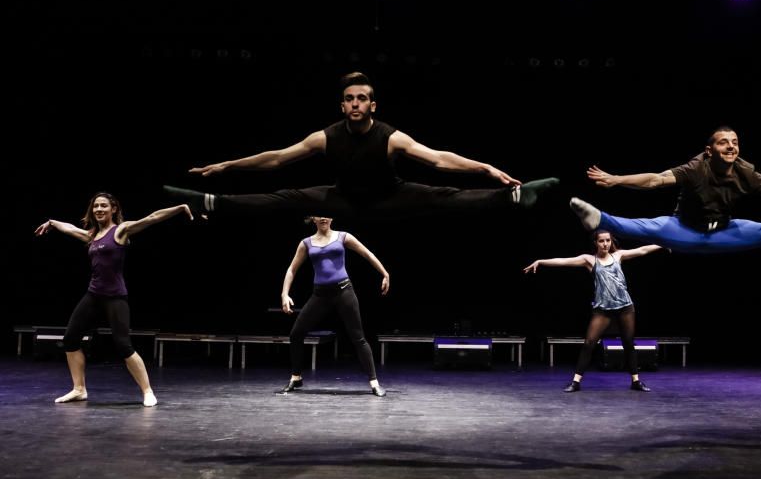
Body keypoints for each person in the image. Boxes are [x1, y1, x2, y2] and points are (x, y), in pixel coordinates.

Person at [165, 71, 559, 222]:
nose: (355, 103)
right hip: (342, 199)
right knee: (283, 197)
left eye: (362, 98)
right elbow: (278, 158)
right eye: (349, 98)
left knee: (448, 196)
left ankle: (514, 198)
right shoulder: (326, 136)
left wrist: (485, 168)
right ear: (342, 105)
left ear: (373, 105)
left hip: (392, 196)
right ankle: (211, 201)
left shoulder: (391, 137)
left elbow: (438, 159)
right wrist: (228, 166)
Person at [570, 126, 761, 252]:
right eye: (724, 143)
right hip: (684, 231)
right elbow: (655, 179)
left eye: (735, 142)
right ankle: (599, 219)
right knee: (644, 226)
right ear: (710, 150)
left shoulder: (744, 170)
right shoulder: (697, 167)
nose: (731, 147)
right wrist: (616, 179)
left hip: (725, 232)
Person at [34, 193, 193, 406]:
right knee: (70, 340)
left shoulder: (121, 230)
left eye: (103, 206)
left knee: (123, 345)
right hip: (93, 295)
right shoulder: (92, 235)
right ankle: (79, 389)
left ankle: (147, 391)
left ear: (113, 209)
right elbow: (71, 229)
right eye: (96, 206)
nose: (99, 209)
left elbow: (152, 218)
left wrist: (180, 207)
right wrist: (53, 222)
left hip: (115, 297)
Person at [524, 230, 663, 392]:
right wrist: (540, 261)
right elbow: (563, 261)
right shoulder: (589, 260)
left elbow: (642, 250)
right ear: (595, 243)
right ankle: (576, 382)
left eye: (608, 241)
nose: (605, 244)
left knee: (628, 343)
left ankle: (635, 381)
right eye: (601, 241)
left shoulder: (618, 256)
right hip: (603, 309)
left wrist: (663, 244)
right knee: (589, 343)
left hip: (625, 307)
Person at [277, 216, 390, 397]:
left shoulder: (343, 237)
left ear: (331, 218)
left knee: (358, 338)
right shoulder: (306, 243)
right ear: (313, 219)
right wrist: (284, 294)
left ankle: (374, 383)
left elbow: (367, 254)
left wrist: (384, 273)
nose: (323, 218)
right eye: (319, 215)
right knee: (296, 334)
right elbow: (292, 269)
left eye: (326, 215)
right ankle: (296, 377)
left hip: (344, 291)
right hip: (320, 294)